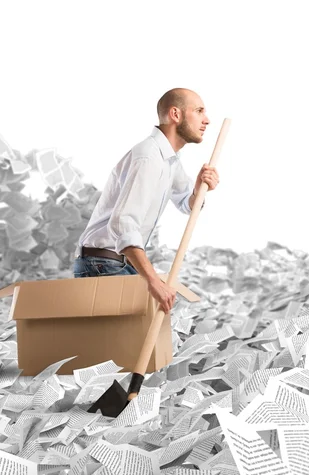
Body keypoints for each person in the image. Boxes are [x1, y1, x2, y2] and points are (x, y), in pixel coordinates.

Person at [73, 88, 220, 314]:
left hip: (116, 263)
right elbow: (122, 223)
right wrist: (153, 280)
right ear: (175, 114)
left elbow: (186, 203)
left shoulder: (169, 159)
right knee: (124, 346)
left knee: (137, 343)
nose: (207, 120)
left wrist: (200, 188)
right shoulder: (149, 157)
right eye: (199, 111)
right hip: (103, 265)